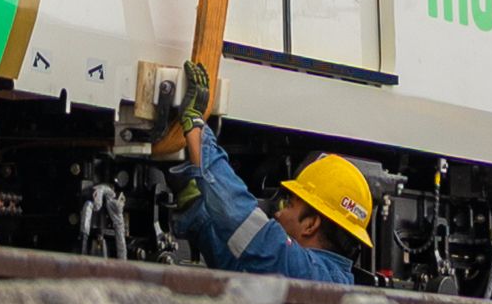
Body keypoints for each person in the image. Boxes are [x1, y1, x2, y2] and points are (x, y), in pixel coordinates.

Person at [160, 121, 373, 288]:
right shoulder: (326, 281)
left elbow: (253, 232)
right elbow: (236, 266)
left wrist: (200, 134)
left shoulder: (312, 276)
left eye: (288, 205)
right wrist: (196, 205)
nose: (278, 214)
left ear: (310, 224)